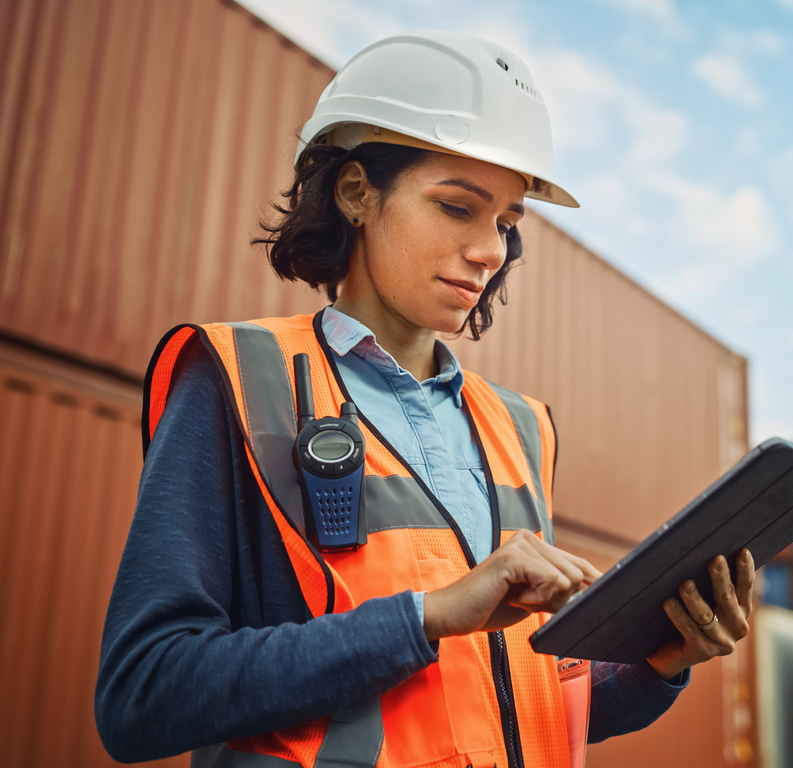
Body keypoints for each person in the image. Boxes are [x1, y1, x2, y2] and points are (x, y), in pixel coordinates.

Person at [95, 30, 755, 768]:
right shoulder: (240, 379)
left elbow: (503, 704)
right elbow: (142, 696)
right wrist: (429, 616)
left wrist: (661, 660)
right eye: (455, 207)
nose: (491, 250)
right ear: (355, 193)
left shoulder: (520, 427)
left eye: (506, 222)